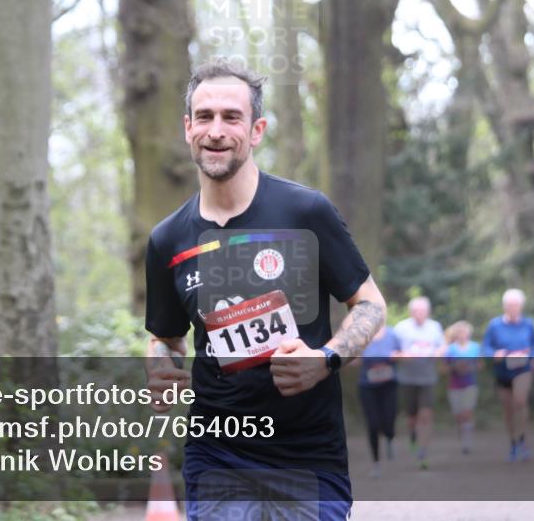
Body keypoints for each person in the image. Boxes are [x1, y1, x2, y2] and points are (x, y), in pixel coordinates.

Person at [144, 60, 387, 520]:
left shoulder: (305, 212)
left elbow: (370, 305)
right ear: (187, 128)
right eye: (205, 116)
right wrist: (159, 365)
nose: (216, 130)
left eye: (231, 117)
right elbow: (166, 336)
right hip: (217, 454)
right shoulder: (167, 240)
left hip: (308, 455)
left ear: (256, 130)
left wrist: (326, 358)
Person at [482, 288, 534, 462]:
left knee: (520, 401)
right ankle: (513, 442)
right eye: (510, 305)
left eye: (516, 305)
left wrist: (531, 356)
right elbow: (486, 347)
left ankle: (523, 441)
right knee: (509, 409)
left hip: (522, 369)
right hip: (502, 370)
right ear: (505, 306)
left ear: (521, 306)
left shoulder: (528, 324)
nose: (513, 308)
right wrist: (494, 354)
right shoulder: (495, 325)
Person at [392, 297, 445, 470]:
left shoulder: (435, 327)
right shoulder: (401, 328)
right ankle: (413, 437)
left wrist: (437, 353)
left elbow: (443, 347)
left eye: (422, 311)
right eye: (416, 311)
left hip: (428, 378)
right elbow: (392, 352)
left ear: (428, 312)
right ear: (411, 312)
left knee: (426, 415)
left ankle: (423, 451)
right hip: (407, 378)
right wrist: (402, 356)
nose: (419, 314)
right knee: (412, 417)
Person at [356, 325, 400, 477]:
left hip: (388, 385)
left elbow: (402, 354)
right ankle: (376, 463)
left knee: (389, 420)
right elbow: (351, 358)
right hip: (367, 386)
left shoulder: (392, 334)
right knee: (373, 424)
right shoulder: (360, 335)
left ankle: (390, 437)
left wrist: (396, 355)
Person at [443, 321, 481, 454]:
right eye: (459, 333)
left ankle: (467, 442)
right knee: (459, 415)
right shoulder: (450, 349)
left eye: (464, 332)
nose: (462, 335)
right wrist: (455, 367)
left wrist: (469, 367)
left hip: (470, 384)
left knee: (467, 412)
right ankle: (462, 434)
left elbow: (480, 365)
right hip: (454, 386)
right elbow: (443, 368)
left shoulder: (475, 347)